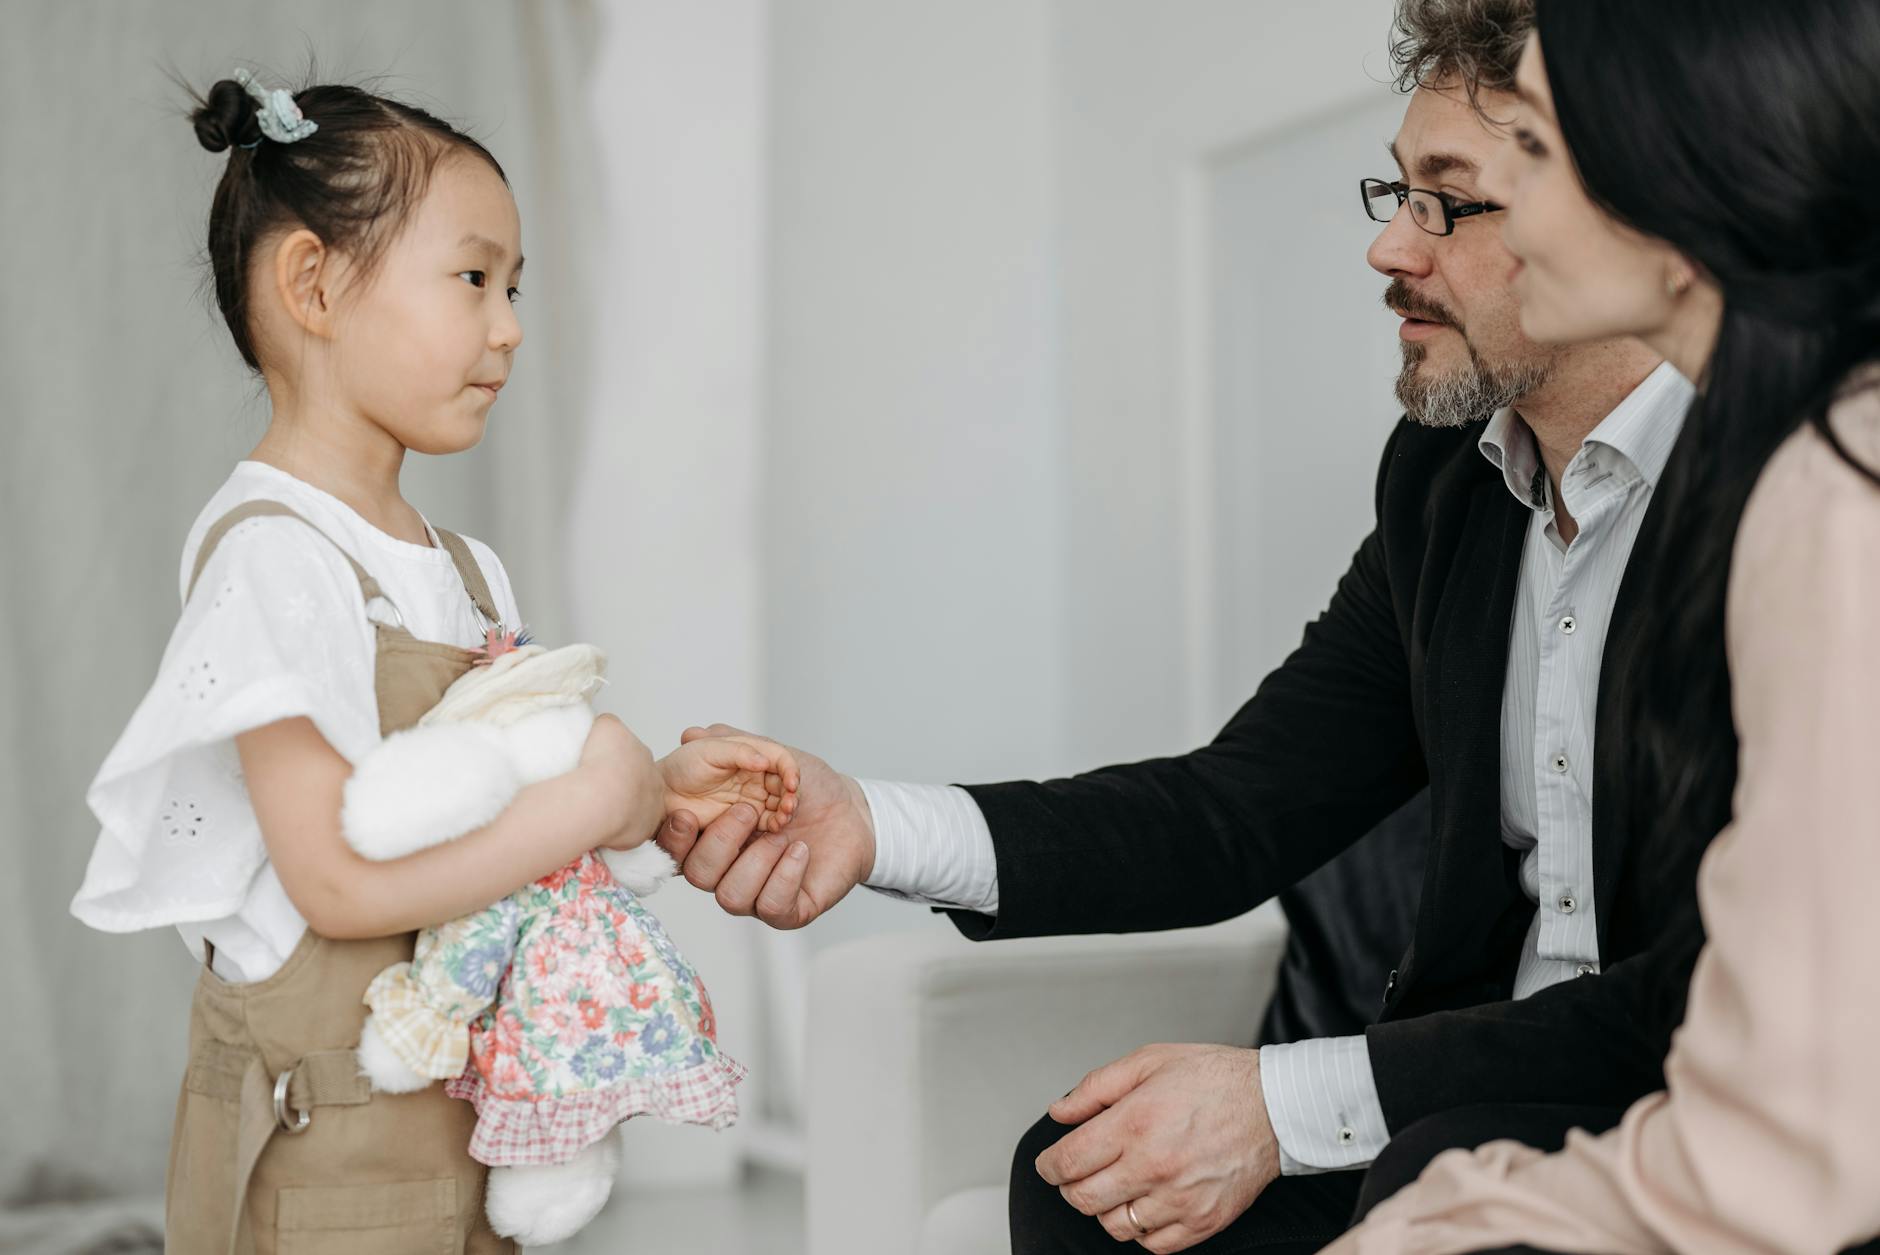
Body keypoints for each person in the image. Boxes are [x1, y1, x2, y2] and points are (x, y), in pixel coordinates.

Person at [660, 1, 1718, 1249]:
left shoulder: (1779, 490)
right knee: (1082, 1177)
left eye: (1447, 199)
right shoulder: (1444, 489)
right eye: (1395, 188)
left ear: (1620, 215)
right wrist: (866, 822)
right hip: (1461, 1097)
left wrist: (1281, 1098)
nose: (1388, 248)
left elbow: (1732, 987)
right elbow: (1231, 809)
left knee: (1431, 1179)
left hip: (1701, 1103)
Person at [68, 69, 795, 1251]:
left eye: (515, 289)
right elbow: (337, 887)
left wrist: (648, 795)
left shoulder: (466, 570)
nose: (508, 326)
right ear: (313, 283)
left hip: (468, 1140)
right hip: (328, 1169)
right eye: (472, 279)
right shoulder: (272, 560)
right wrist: (586, 803)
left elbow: (498, 826)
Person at [1323, 0, 1880, 1250]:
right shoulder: (1802, 454)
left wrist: (1426, 1224)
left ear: (1676, 179)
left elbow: (1794, 1152)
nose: (1391, 250)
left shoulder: (1831, 490)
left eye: (1537, 155)